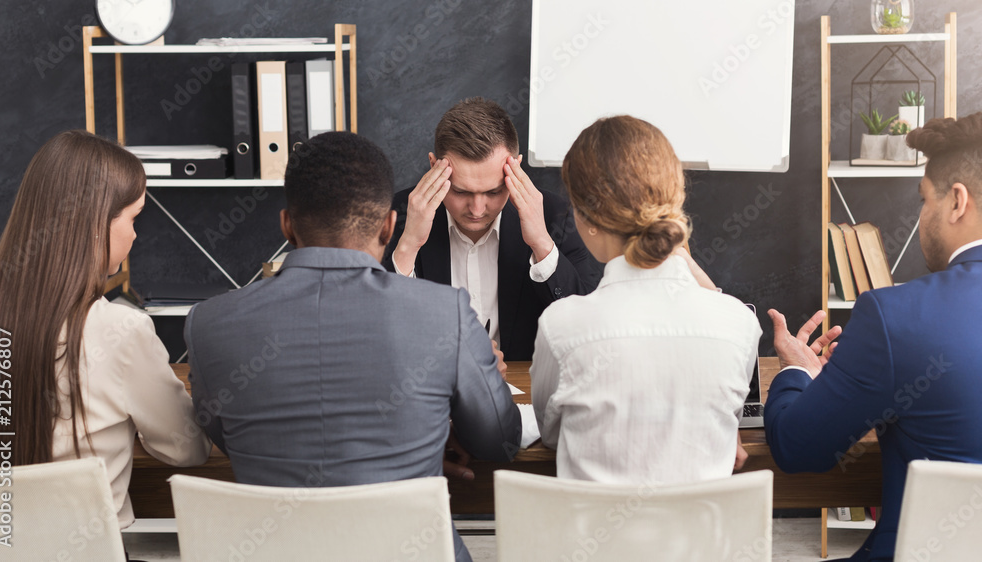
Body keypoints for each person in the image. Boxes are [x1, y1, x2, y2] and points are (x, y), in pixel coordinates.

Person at [184, 131, 521, 562]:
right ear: (389, 226)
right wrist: (422, 436)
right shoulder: (445, 313)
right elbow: (500, 442)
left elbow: (231, 436)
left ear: (287, 225)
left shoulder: (208, 323)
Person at [764, 114, 982, 562]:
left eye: (924, 200)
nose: (921, 216)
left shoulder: (894, 316)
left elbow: (798, 447)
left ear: (957, 202)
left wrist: (798, 373)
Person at [0, 130, 211, 531]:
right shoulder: (121, 329)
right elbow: (188, 448)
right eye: (133, 218)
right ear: (93, 225)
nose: (136, 235)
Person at [531, 115, 759, 484]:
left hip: (591, 540)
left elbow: (553, 434)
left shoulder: (562, 326)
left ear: (586, 217)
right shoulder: (738, 324)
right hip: (703, 541)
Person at [384, 96, 602, 361]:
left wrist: (543, 246)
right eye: (461, 191)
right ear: (434, 168)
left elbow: (588, 326)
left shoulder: (555, 216)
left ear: (515, 170)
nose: (477, 209)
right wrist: (407, 247)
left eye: (493, 192)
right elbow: (376, 329)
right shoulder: (395, 215)